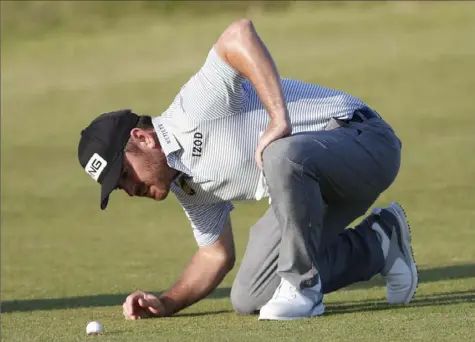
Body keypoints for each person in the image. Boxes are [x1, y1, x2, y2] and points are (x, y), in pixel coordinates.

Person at [77, 19, 418, 321]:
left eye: (124, 174)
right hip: (313, 188)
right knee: (251, 294)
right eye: (119, 187)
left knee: (280, 154)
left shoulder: (191, 110)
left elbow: (238, 35)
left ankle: (304, 292)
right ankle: (379, 243)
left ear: (143, 138)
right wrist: (165, 302)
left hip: (365, 142)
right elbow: (215, 255)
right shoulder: (184, 185)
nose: (130, 188)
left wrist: (278, 118)